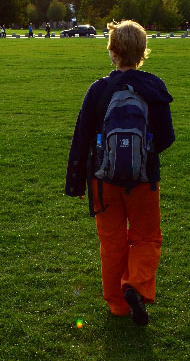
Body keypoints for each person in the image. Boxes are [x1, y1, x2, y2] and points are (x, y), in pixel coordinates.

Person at [65, 20, 175, 326]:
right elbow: (166, 137)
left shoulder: (99, 89)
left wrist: (75, 183)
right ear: (142, 52)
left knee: (111, 243)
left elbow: (81, 138)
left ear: (112, 51)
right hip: (143, 180)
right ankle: (136, 285)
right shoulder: (154, 87)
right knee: (146, 237)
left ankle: (117, 305)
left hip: (104, 180)